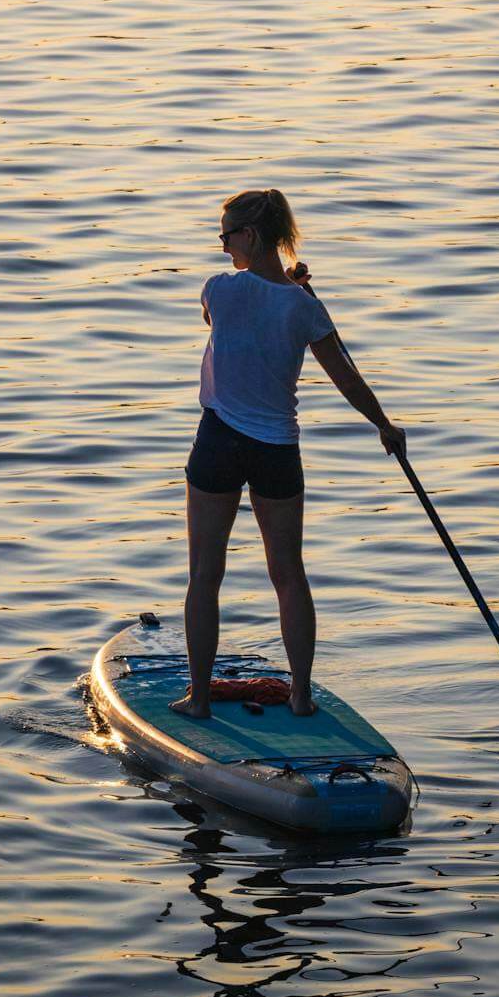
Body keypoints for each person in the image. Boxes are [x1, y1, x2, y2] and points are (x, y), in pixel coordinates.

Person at [172, 188, 406, 720]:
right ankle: (300, 697)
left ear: (250, 236)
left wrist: (287, 293)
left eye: (226, 235)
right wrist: (383, 425)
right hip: (277, 448)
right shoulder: (305, 308)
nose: (222, 245)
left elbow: (217, 320)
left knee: (205, 574)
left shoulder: (219, 289)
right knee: (289, 574)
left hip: (219, 443)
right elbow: (345, 373)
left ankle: (200, 699)